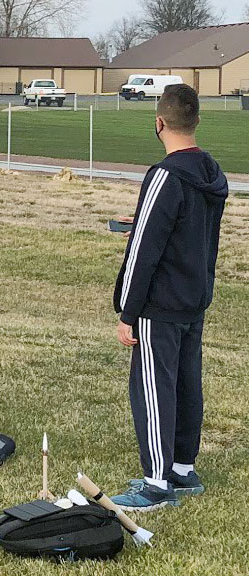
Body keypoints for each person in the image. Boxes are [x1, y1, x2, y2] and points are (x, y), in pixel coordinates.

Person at [110, 84, 228, 512]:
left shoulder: (164, 175)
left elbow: (145, 248)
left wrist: (128, 309)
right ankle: (182, 468)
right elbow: (190, 231)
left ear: (159, 123)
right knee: (185, 382)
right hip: (194, 298)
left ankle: (157, 483)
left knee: (154, 388)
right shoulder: (212, 173)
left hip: (160, 305)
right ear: (195, 121)